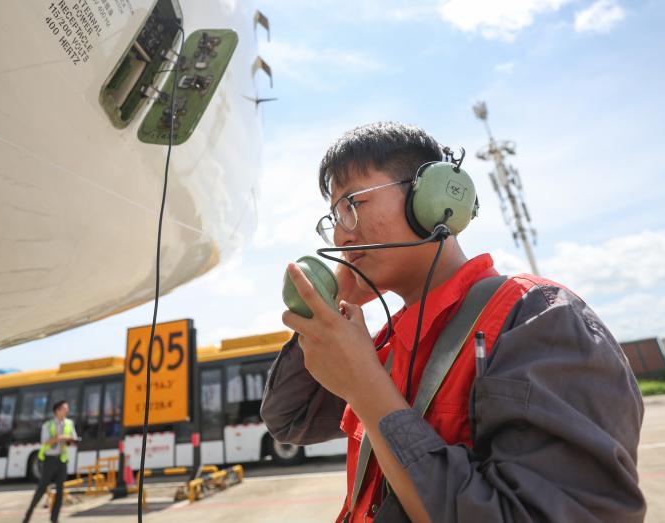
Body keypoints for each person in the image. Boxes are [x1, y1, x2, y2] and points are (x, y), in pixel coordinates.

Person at [260, 122, 645, 522]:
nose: (340, 235)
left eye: (352, 205)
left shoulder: (538, 319)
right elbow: (289, 419)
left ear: (432, 198)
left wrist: (366, 387)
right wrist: (330, 311)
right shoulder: (388, 344)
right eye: (334, 215)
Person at [22, 400, 79, 523]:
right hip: (49, 460)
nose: (67, 411)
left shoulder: (69, 423)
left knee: (60, 490)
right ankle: (27, 516)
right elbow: (46, 442)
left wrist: (65, 438)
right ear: (57, 411)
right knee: (41, 489)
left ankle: (55, 519)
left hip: (62, 460)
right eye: (64, 408)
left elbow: (73, 439)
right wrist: (59, 438)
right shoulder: (48, 425)